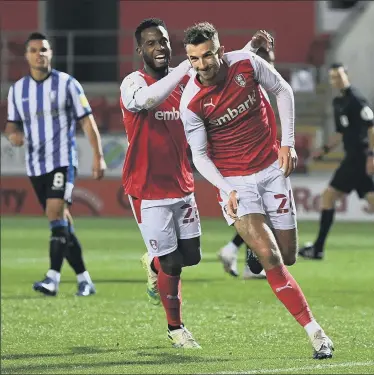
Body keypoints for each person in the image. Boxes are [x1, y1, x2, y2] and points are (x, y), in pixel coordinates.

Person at [180, 22, 334, 359]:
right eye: (194, 59)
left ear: (220, 51)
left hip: (271, 170)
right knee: (273, 258)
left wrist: (288, 144)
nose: (203, 65)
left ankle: (255, 251)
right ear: (188, 59)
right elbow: (201, 156)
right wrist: (224, 188)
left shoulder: (246, 65)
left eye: (208, 56)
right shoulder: (191, 102)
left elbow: (283, 91)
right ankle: (317, 333)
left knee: (289, 254)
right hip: (235, 183)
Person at [119, 18, 203, 349]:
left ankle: (151, 262)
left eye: (164, 41)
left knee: (191, 256)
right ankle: (176, 329)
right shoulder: (132, 83)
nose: (159, 48)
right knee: (173, 264)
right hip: (147, 188)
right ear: (140, 49)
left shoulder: (187, 83)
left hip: (181, 184)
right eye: (151, 43)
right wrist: (183, 70)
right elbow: (147, 101)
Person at [5, 32, 106, 297]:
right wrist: (12, 135)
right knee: (61, 222)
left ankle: (52, 278)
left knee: (55, 213)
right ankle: (85, 279)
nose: (40, 54)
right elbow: (11, 124)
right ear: (26, 55)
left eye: (45, 49)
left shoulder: (67, 84)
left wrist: (99, 155)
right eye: (35, 50)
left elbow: (87, 121)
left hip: (62, 160)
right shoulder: (18, 89)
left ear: (51, 54)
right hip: (35, 166)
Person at [298, 63, 374, 262]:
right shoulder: (338, 102)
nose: (337, 80)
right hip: (353, 157)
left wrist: (372, 155)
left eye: (340, 76)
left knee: (328, 196)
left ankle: (318, 248)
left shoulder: (356, 100)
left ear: (347, 76)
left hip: (358, 157)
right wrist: (324, 150)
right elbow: (340, 133)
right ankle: (318, 248)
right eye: (333, 77)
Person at [218, 40, 276, 280]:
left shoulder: (260, 87)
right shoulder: (248, 87)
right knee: (261, 213)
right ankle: (245, 260)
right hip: (249, 163)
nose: (272, 64)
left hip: (260, 158)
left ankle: (238, 255)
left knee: (262, 213)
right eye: (268, 60)